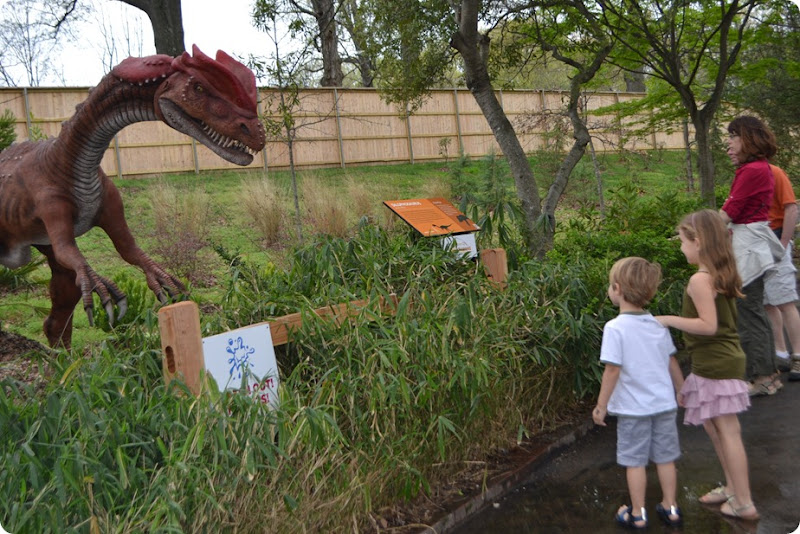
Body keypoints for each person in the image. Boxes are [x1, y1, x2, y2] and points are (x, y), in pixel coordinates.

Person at [657, 209, 759, 521]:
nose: (680, 247)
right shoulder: (719, 273)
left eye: (682, 241)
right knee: (715, 428)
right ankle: (732, 488)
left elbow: (708, 325)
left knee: (727, 431)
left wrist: (667, 319)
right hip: (715, 361)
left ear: (698, 242)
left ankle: (744, 502)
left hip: (717, 362)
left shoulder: (700, 280)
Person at [593, 257, 684, 529]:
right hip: (664, 405)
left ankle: (637, 514)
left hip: (633, 410)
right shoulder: (657, 325)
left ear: (618, 289)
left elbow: (612, 369)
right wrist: (681, 389)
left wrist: (601, 405)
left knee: (635, 462)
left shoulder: (615, 328)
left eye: (610, 284)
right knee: (665, 458)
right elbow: (671, 361)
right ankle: (671, 508)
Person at [719, 116, 785, 396]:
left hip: (747, 248)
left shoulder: (752, 171)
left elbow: (728, 214)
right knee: (754, 311)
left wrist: (695, 231)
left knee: (748, 313)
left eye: (733, 137)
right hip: (751, 244)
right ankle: (768, 375)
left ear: (748, 139)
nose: (729, 144)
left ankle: (762, 378)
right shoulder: (758, 168)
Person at [763, 164, 800, 381]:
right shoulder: (745, 173)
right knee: (767, 301)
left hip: (776, 240)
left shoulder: (774, 173)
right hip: (758, 246)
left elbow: (791, 208)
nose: (729, 149)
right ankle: (781, 352)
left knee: (785, 300)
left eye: (733, 146)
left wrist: (783, 244)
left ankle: (798, 355)